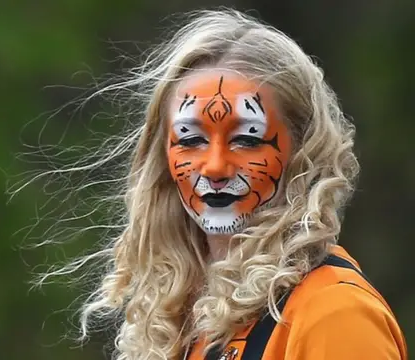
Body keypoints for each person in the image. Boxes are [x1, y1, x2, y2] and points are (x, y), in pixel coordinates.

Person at [30, 9, 408, 360]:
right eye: (192, 139)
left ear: (303, 149)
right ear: (162, 157)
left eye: (246, 138)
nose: (214, 167)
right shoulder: (182, 321)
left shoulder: (334, 315)